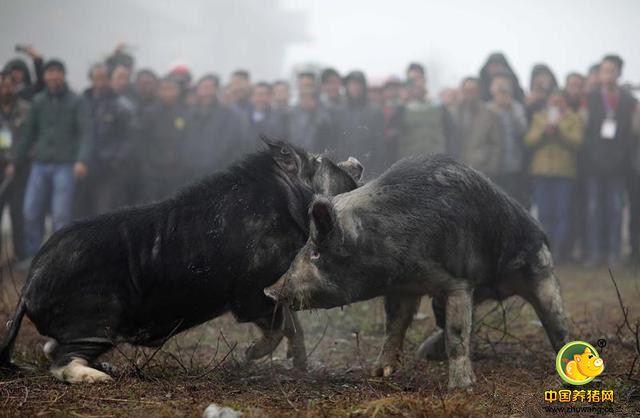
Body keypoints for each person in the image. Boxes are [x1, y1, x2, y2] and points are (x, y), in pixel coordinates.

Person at [11, 59, 92, 262]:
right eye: (50, 72)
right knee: (31, 210)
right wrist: (15, 161)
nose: (53, 76)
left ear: (63, 75)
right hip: (39, 165)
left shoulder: (77, 101)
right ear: (45, 76)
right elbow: (28, 134)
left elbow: (86, 133)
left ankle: (58, 258)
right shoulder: (38, 101)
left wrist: (82, 160)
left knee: (60, 215)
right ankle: (33, 255)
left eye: (58, 72)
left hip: (65, 166)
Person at [583, 54, 638, 267]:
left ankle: (615, 253)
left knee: (615, 210)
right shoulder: (592, 97)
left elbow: (631, 134)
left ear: (619, 73)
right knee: (594, 209)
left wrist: (619, 158)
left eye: (612, 70)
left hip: (618, 166)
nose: (607, 75)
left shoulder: (628, 100)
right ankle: (595, 252)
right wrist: (595, 158)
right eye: (604, 70)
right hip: (594, 165)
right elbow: (586, 132)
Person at [525, 91, 583, 262]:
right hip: (542, 172)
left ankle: (560, 251)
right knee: (544, 213)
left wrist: (559, 130)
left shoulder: (574, 118)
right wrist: (544, 131)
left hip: (564, 174)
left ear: (565, 103)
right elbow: (529, 140)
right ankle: (544, 251)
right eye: (553, 101)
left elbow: (578, 142)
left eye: (560, 101)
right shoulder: (539, 117)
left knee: (562, 214)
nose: (556, 104)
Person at [76, 63, 134, 217]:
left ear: (109, 79)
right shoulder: (81, 101)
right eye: (96, 77)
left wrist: (116, 160)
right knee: (81, 213)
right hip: (83, 167)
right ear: (91, 79)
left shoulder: (121, 105)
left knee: (104, 213)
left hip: (108, 169)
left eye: (103, 77)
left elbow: (128, 137)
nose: (100, 81)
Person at [183, 74, 246, 179]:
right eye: (202, 88)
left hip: (217, 171)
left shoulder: (228, 115)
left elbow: (231, 144)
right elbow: (185, 141)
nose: (205, 93)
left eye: (209, 88)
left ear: (216, 90)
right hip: (190, 170)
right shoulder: (189, 114)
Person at [138, 76, 189, 202]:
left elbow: (189, 140)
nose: (168, 93)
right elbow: (142, 141)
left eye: (171, 89)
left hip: (177, 170)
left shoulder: (185, 112)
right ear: (159, 91)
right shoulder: (149, 113)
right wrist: (146, 166)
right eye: (164, 89)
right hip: (154, 170)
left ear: (178, 91)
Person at [0, 72, 31, 263]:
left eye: (8, 85)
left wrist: (15, 162)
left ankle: (21, 255)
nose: (5, 89)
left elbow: (29, 139)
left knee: (17, 213)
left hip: (19, 170)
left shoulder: (26, 110)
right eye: (1, 85)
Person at [488, 74, 529, 206]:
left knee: (511, 202)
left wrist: (510, 109)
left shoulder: (516, 108)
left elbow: (522, 130)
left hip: (513, 164)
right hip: (493, 164)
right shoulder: (487, 108)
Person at [332, 71, 384, 174]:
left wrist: (377, 171)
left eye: (358, 84)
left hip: (368, 169)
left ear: (363, 87)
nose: (355, 87)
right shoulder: (338, 112)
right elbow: (335, 142)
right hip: (343, 168)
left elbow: (379, 146)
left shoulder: (374, 111)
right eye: (351, 84)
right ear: (346, 87)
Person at [396, 71, 450, 161]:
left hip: (436, 160)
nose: (419, 87)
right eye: (415, 84)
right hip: (411, 161)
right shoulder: (402, 110)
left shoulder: (439, 108)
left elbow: (449, 134)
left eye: (421, 82)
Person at [454, 77, 503, 177]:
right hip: (458, 170)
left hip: (482, 170)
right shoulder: (454, 113)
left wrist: (491, 169)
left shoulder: (490, 114)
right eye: (467, 90)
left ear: (478, 92)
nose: (470, 93)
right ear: (462, 91)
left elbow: (496, 144)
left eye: (473, 90)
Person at [288, 86, 333, 152]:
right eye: (303, 98)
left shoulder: (321, 115)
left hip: (315, 152)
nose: (306, 101)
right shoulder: (293, 115)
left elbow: (326, 135)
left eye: (309, 98)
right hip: (298, 152)